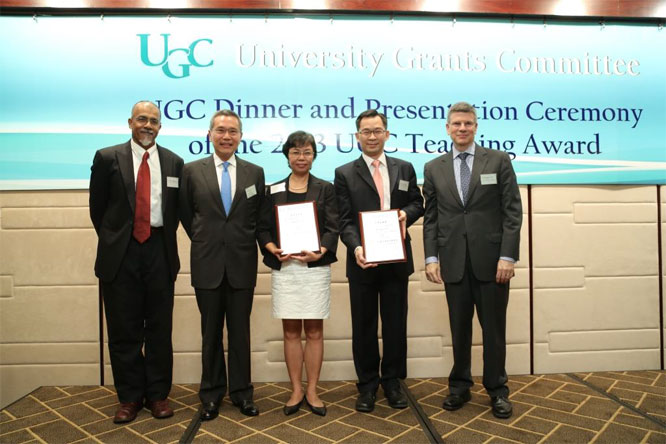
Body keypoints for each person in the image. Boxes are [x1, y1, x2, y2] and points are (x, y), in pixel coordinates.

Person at [423, 101, 522, 419]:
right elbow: (431, 218)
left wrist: (508, 256)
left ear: (475, 126)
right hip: (452, 261)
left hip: (493, 263)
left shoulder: (498, 160)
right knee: (458, 328)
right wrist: (430, 257)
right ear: (447, 128)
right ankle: (459, 387)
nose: (462, 128)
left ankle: (497, 390)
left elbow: (512, 212)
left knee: (493, 330)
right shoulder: (433, 167)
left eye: (467, 123)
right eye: (456, 124)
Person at [89, 101, 183, 423]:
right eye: (142, 119)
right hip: (121, 253)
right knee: (123, 329)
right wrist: (118, 239)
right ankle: (129, 398)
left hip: (159, 250)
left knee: (159, 328)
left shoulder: (174, 162)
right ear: (130, 122)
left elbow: (176, 212)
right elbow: (97, 210)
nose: (148, 125)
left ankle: (157, 396)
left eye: (154, 121)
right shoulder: (106, 158)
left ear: (160, 127)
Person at [334, 109, 424, 413]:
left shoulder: (405, 168)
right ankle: (368, 385)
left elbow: (417, 203)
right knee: (364, 325)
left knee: (396, 323)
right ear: (357, 136)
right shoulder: (344, 173)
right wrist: (356, 247)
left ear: (386, 134)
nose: (372, 136)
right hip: (362, 261)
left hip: (397, 259)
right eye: (366, 131)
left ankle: (393, 383)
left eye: (377, 130)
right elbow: (344, 220)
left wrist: (404, 215)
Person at [179, 110, 267, 420]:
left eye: (232, 131)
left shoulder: (255, 173)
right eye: (220, 130)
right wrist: (207, 239)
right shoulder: (191, 171)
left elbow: (255, 218)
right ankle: (212, 395)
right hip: (208, 263)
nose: (226, 136)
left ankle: (242, 394)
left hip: (242, 264)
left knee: (240, 332)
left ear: (241, 137)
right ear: (209, 134)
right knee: (211, 333)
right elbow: (187, 215)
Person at [258, 131, 339, 417]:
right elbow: (263, 227)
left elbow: (333, 226)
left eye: (306, 152)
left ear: (314, 155)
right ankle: (295, 389)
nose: (301, 157)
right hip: (287, 268)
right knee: (291, 331)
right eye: (295, 152)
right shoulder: (274, 189)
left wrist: (321, 250)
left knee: (314, 331)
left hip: (314, 268)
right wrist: (272, 248)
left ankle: (313, 390)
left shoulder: (325, 188)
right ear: (287, 155)